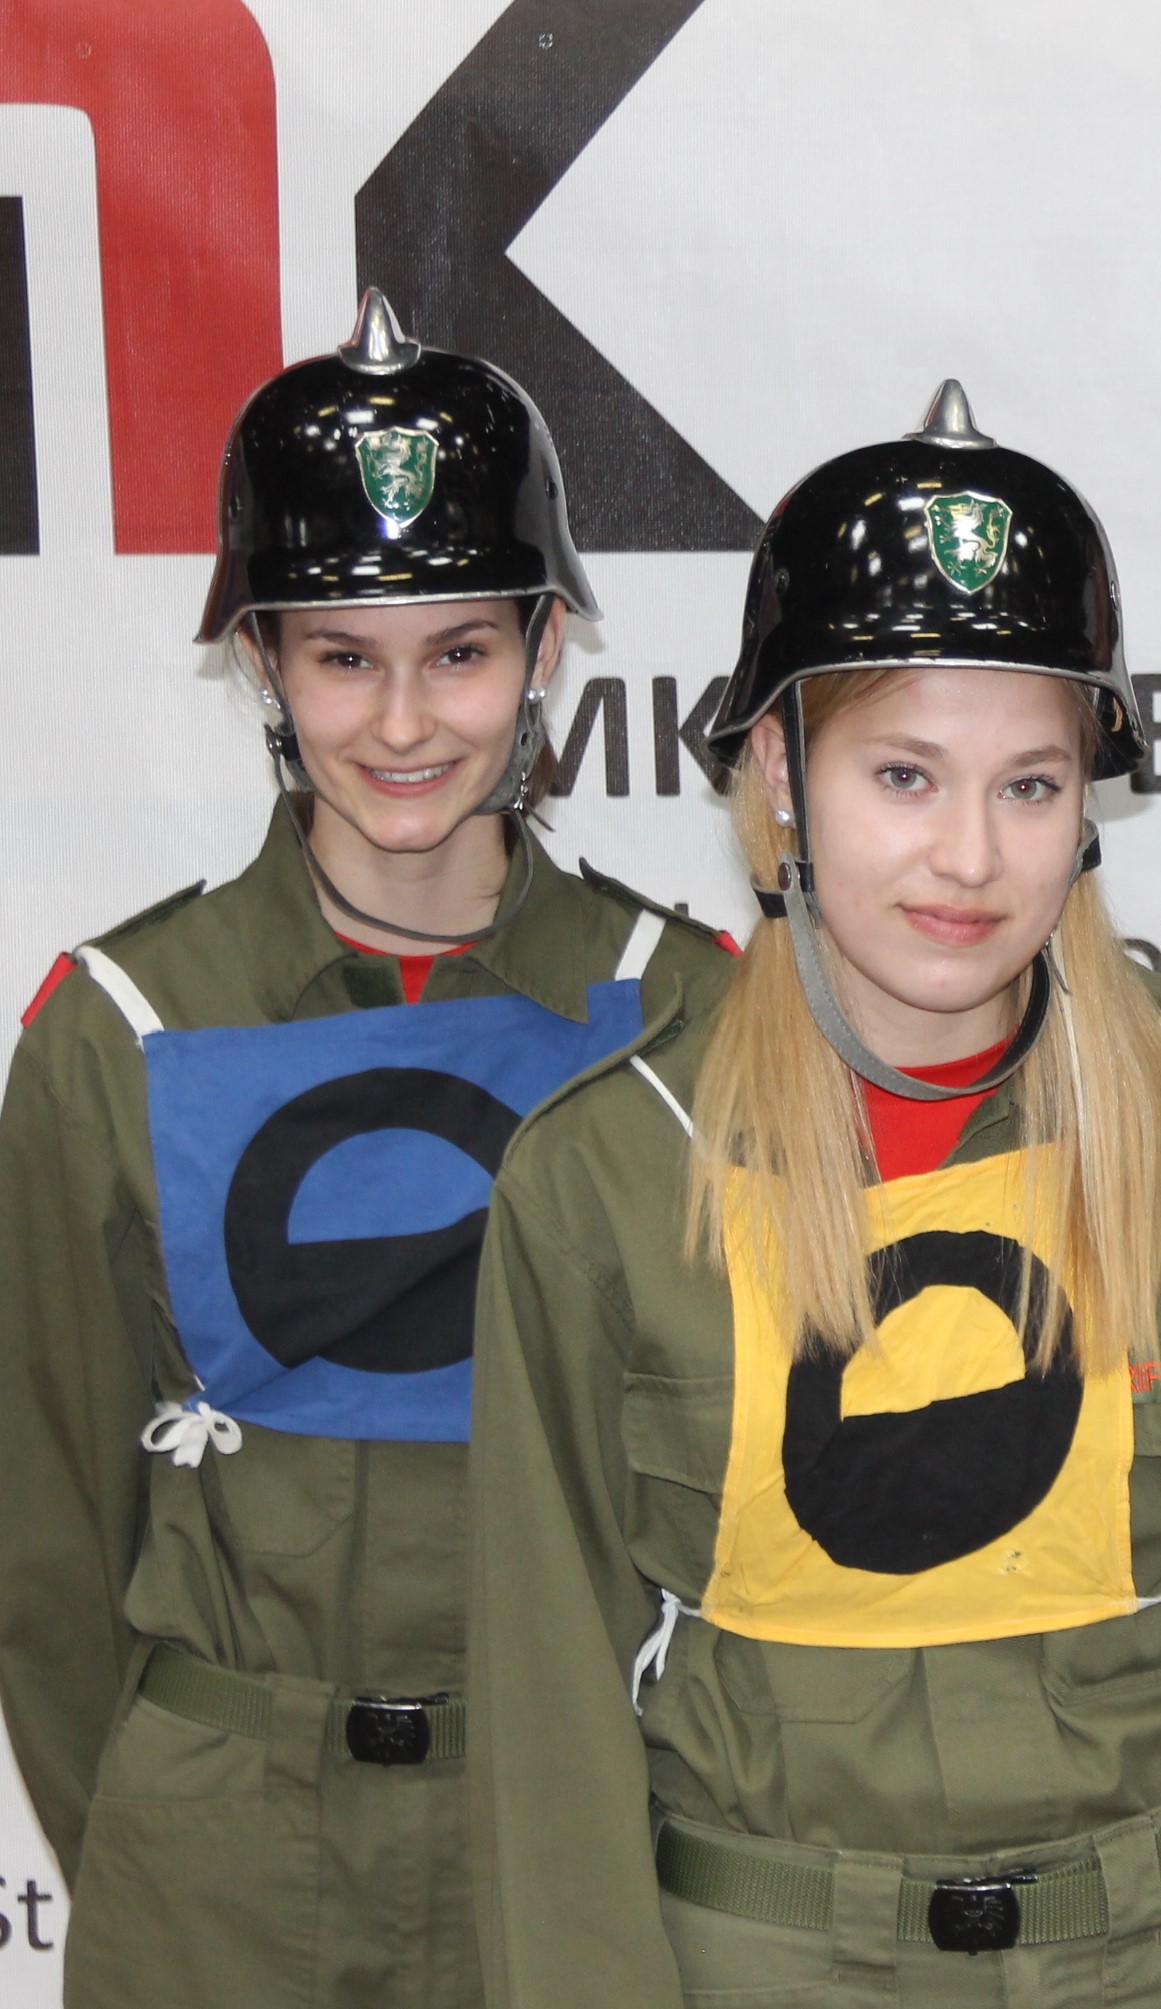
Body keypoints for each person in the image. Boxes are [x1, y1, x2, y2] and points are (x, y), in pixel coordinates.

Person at [465, 383, 1161, 2006]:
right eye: (904, 775)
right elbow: (548, 1717)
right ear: (779, 768)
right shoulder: (606, 1172)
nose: (969, 858)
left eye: (1028, 785)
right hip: (775, 1962)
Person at [0, 290, 734, 2007]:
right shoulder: (116, 1026)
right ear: (262, 659)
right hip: (217, 1872)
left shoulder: (686, 1010)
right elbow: (51, 1537)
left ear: (545, 645)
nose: (404, 724)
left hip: (574, 1830)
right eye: (344, 656)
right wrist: (168, 1842)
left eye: (457, 652)